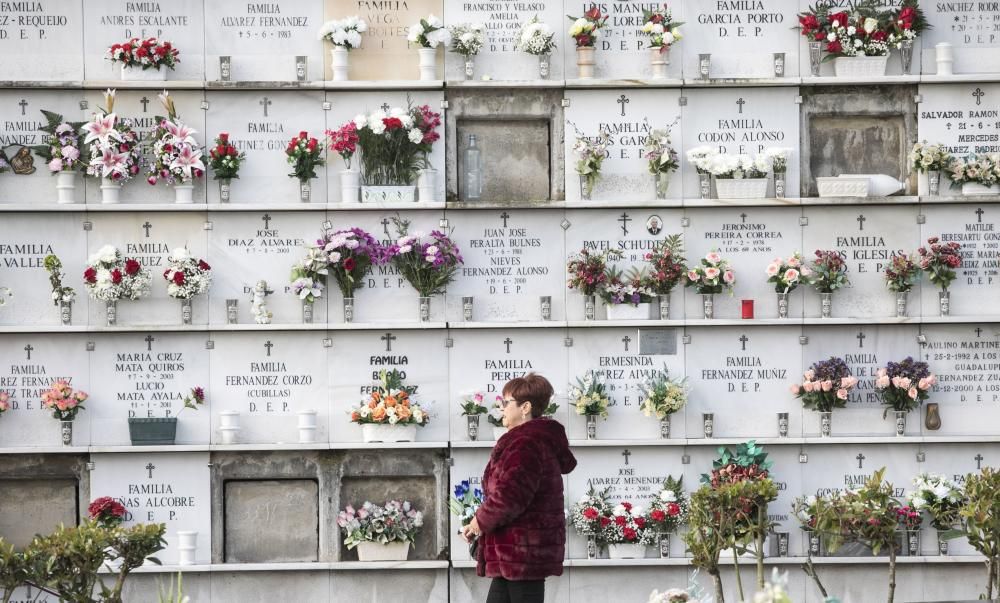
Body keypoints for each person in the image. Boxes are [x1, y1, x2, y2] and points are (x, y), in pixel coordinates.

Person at [462, 373, 577, 603]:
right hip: (513, 554)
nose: (501, 408)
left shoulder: (527, 442)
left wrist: (478, 522)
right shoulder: (526, 440)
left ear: (525, 407)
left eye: (506, 403)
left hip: (523, 553)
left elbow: (510, 495)